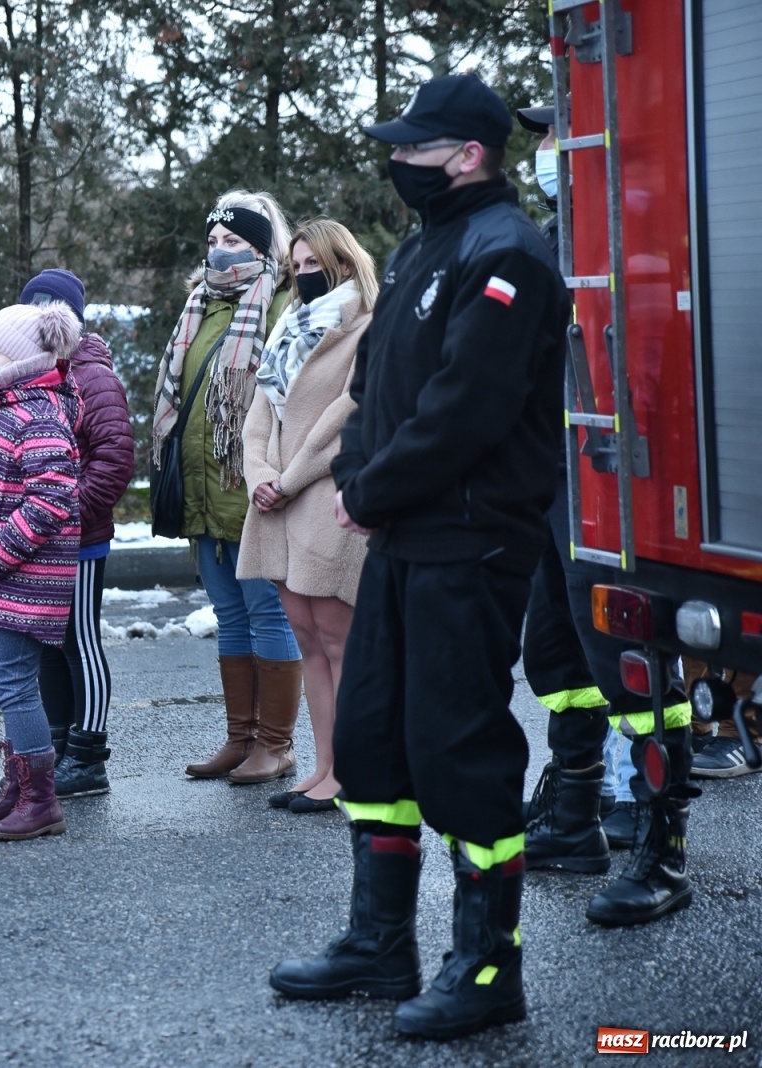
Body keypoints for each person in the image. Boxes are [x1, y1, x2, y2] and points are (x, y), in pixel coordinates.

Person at [269, 74, 569, 1040]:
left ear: (468, 155)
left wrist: (372, 488)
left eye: (413, 148)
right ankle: (379, 943)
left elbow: (466, 407)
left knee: (459, 747)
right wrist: (361, 473)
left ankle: (488, 967)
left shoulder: (506, 253)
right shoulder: (423, 248)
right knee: (372, 738)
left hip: (470, 538)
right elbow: (375, 388)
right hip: (403, 535)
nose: (398, 162)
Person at [511, 101, 701, 924]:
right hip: (554, 476)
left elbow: (649, 368)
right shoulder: (561, 232)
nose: (551, 149)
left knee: (631, 660)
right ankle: (574, 816)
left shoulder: (636, 232)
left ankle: (662, 850)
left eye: (562, 131)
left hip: (613, 479)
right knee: (558, 655)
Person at [152, 192, 303, 785]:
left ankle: (276, 744)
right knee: (230, 617)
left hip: (256, 493)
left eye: (234, 242)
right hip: (203, 495)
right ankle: (240, 738)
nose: (220, 252)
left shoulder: (284, 303)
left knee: (269, 615)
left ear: (263, 247)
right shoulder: (200, 306)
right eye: (213, 241)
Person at [237, 218, 377, 814]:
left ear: (342, 262)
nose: (304, 275)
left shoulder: (368, 327)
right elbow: (259, 414)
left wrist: (288, 480)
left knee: (339, 638)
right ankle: (323, 766)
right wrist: (260, 476)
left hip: (325, 493)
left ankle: (351, 771)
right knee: (307, 640)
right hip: (277, 501)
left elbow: (349, 415)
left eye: (313, 263)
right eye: (296, 266)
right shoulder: (286, 327)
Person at [0, 301, 82, 841]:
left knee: (16, 686)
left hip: (17, 579)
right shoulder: (10, 407)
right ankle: (18, 786)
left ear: (25, 359)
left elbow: (52, 498)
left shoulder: (38, 414)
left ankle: (40, 799)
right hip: (1, 581)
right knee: (11, 685)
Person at [19, 269, 134, 798]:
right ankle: (60, 744)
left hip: (80, 538)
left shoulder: (93, 376)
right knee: (49, 642)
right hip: (41, 537)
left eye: (52, 309)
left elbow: (114, 459)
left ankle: (88, 755)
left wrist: (67, 516)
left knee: (80, 641)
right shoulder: (30, 372)